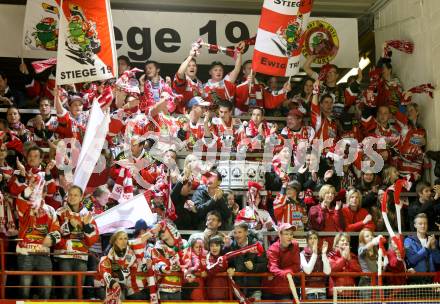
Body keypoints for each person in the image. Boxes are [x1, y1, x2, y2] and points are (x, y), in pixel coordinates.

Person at [14, 171, 61, 299]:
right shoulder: (26, 205)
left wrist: (51, 238)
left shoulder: (51, 210)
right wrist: (31, 187)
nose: (38, 192)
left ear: (45, 193)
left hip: (43, 253)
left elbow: (57, 231)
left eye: (41, 190)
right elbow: (20, 199)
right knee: (24, 287)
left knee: (46, 288)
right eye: (36, 190)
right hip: (25, 252)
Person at [55, 185, 99, 299]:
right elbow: (55, 233)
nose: (72, 197)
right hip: (64, 256)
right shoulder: (60, 212)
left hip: (81, 257)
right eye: (70, 194)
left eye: (75, 195)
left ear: (81, 198)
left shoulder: (87, 215)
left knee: (78, 291)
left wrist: (86, 226)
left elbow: (93, 238)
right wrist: (69, 225)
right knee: (66, 290)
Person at [98, 229, 156, 302]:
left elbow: (141, 240)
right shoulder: (108, 256)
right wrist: (112, 282)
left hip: (130, 286)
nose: (123, 241)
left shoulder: (131, 254)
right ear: (115, 241)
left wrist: (154, 230)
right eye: (120, 239)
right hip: (110, 286)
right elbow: (104, 271)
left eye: (125, 238)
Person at [226, 222, 267, 301]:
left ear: (246, 232)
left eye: (240, 232)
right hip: (237, 290)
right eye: (235, 232)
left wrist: (253, 267)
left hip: (254, 289)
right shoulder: (231, 246)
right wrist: (230, 268)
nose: (237, 235)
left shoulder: (257, 246)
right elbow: (229, 263)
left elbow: (265, 265)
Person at [264, 223, 301, 300]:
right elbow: (273, 268)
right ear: (279, 235)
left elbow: (297, 265)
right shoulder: (273, 248)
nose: (289, 237)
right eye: (286, 234)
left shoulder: (295, 245)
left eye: (291, 234)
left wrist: (287, 272)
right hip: (272, 289)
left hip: (288, 288)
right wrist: (286, 273)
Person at [404, 213, 440, 284]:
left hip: (432, 279)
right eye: (420, 224)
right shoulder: (408, 240)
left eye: (425, 223)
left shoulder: (433, 240)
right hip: (416, 279)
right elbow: (412, 260)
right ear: (415, 225)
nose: (423, 226)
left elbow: (438, 261)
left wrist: (433, 248)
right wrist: (426, 247)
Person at [328, 232, 361, 298]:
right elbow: (333, 269)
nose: (345, 242)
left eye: (347, 241)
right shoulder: (332, 256)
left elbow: (358, 272)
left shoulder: (353, 256)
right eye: (342, 240)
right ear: (337, 243)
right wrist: (343, 259)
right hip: (337, 293)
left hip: (351, 292)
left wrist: (349, 259)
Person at [300, 231, 330, 300]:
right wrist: (315, 254)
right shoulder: (302, 254)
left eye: (315, 238)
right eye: (310, 238)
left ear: (318, 240)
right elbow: (307, 271)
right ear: (307, 241)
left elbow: (327, 272)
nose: (313, 240)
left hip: (322, 290)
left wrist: (324, 254)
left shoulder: (322, 253)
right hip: (308, 291)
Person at [357, 228, 382, 298]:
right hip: (366, 281)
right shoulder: (361, 248)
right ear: (362, 239)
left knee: (378, 301)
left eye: (371, 235)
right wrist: (373, 242)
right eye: (367, 236)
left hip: (376, 280)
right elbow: (362, 250)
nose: (370, 237)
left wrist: (382, 264)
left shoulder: (375, 249)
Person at [206, 235, 229, 300]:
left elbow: (231, 265)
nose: (214, 248)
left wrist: (231, 268)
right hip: (212, 292)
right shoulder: (208, 256)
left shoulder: (225, 256)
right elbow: (209, 269)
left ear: (221, 246)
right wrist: (220, 263)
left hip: (225, 291)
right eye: (212, 246)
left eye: (217, 245)